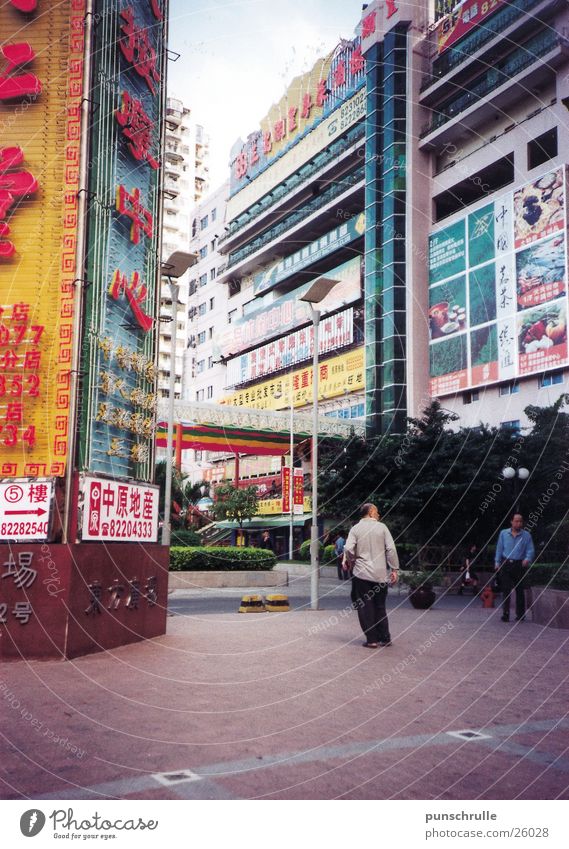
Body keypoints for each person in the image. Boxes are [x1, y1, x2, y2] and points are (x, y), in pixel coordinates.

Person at [344, 503, 399, 648]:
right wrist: (394, 569)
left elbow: (348, 548)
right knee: (380, 606)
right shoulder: (382, 528)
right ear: (371, 511)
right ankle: (385, 638)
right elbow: (391, 550)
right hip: (381, 574)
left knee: (365, 606)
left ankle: (372, 640)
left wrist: (351, 561)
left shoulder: (355, 529)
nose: (379, 514)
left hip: (361, 574)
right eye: (377, 511)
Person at [494, 513, 535, 622]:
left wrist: (527, 559)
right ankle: (505, 613)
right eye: (516, 521)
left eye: (521, 521)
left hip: (519, 565)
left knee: (520, 590)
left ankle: (520, 614)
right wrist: (497, 562)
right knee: (506, 589)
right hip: (506, 564)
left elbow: (530, 550)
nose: (519, 523)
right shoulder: (503, 533)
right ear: (511, 521)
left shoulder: (526, 535)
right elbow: (499, 548)